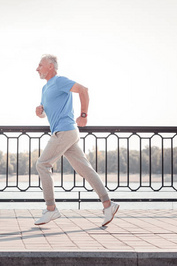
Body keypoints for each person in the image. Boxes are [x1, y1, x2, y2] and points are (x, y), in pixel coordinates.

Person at [34, 54, 119, 226]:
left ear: (51, 66)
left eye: (40, 65)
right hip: (66, 132)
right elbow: (46, 112)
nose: (37, 69)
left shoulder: (59, 81)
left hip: (64, 131)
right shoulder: (45, 89)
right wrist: (40, 112)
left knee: (42, 164)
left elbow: (83, 90)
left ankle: (51, 209)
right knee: (85, 170)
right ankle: (108, 205)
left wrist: (84, 115)